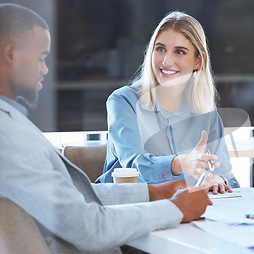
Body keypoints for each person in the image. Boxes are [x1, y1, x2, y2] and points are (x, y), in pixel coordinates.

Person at [0, 3, 212, 253]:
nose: (45, 69)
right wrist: (176, 209)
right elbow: (91, 228)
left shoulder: (11, 122)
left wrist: (153, 192)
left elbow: (69, 202)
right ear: (10, 54)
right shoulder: (9, 137)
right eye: (41, 58)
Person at [96, 11, 240, 193]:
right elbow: (134, 165)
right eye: (160, 49)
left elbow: (226, 176)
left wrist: (217, 180)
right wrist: (180, 164)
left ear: (198, 60)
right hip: (127, 206)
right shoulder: (123, 101)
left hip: (184, 210)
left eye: (179, 51)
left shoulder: (204, 108)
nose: (166, 61)